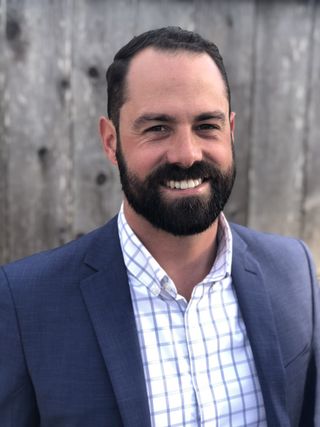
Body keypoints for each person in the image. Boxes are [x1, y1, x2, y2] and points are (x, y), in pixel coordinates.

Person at [0, 27, 318, 427]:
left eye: (207, 126)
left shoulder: (294, 272)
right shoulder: (26, 303)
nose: (187, 154)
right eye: (157, 128)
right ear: (111, 141)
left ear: (231, 131)